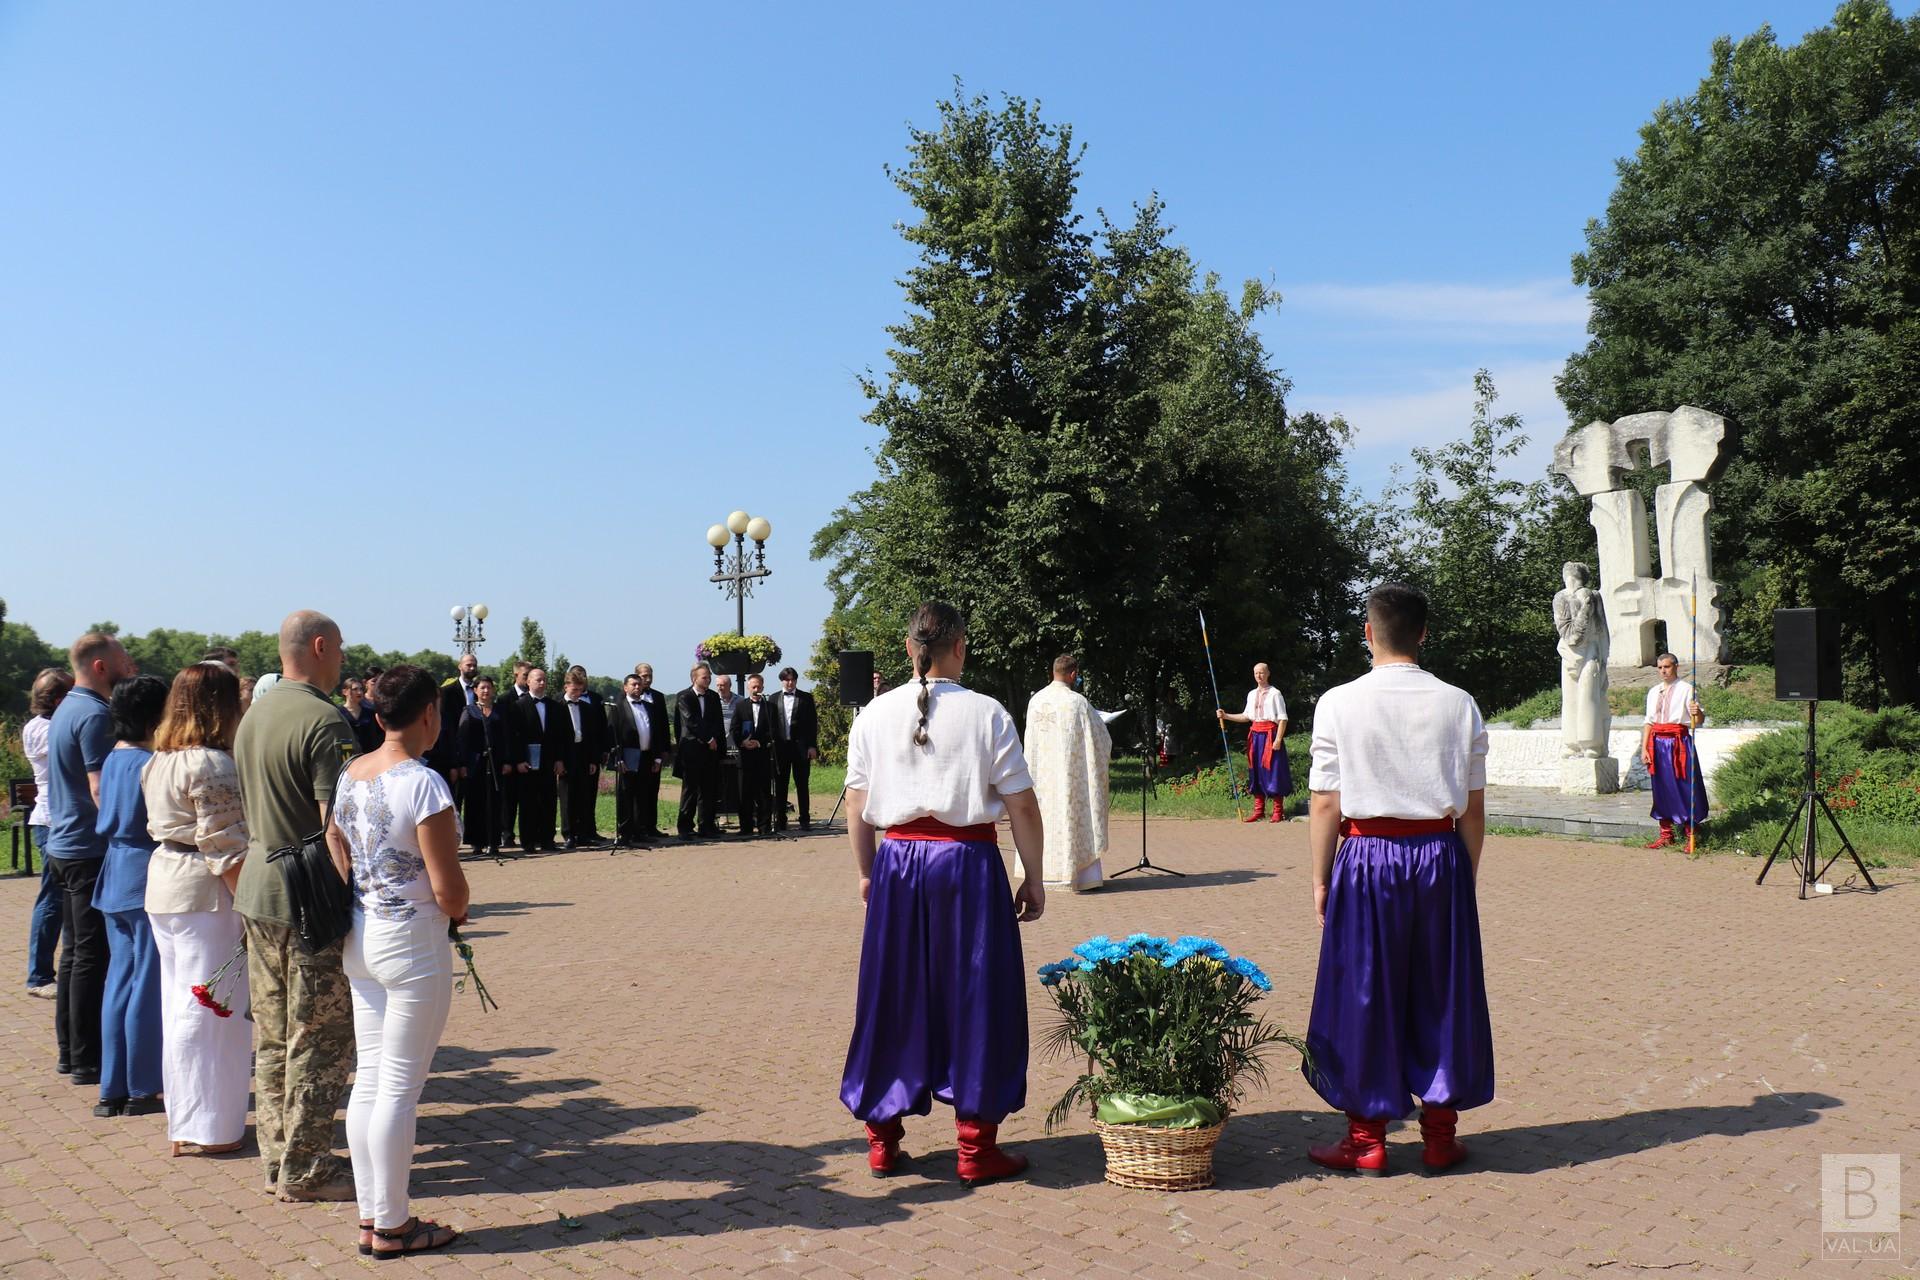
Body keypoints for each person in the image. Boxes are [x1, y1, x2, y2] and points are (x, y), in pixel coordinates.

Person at [839, 602, 1045, 1184]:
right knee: (979, 991)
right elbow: (1021, 803)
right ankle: (976, 1148)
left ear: (909, 648)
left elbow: (857, 805)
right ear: (960, 647)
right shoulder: (988, 713)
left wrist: (866, 870)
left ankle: (882, 1140)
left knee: (892, 993)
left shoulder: (874, 714)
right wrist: (1033, 873)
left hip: (899, 864)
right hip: (968, 863)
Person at [1302, 583, 1493, 1175]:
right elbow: (1474, 809)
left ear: (1368, 634)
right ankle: (1439, 1135)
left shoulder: (1338, 701)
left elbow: (1325, 803)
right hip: (1439, 852)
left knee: (1364, 989)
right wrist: (1466, 874)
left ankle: (1367, 1140)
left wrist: (1320, 879)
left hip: (1365, 855)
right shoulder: (1460, 703)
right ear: (1424, 634)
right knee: (1443, 991)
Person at [326, 665, 467, 1259]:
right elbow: (448, 889)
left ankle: (372, 1214)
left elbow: (335, 846)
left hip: (362, 936)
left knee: (374, 1082)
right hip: (411, 942)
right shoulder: (424, 783)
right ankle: (392, 1224)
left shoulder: (350, 774)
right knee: (399, 1091)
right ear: (428, 714)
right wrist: (459, 910)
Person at [232, 610, 358, 1202]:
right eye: (339, 648)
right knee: (319, 1036)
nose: (343, 659)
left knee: (276, 1035)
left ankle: (278, 1158)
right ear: (319, 645)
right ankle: (308, 1169)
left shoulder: (254, 714)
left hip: (259, 888)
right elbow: (338, 829)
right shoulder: (325, 720)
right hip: (309, 899)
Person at [143, 661, 253, 1157]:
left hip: (168, 886)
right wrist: (252, 904)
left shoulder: (160, 759)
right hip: (204, 893)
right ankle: (209, 1126)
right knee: (210, 1010)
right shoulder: (210, 763)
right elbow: (225, 845)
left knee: (182, 1005)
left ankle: (190, 1119)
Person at [44, 631, 136, 1087]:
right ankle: (86, 1057)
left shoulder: (67, 708)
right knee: (90, 957)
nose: (130, 665)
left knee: (75, 953)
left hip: (65, 844)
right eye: (123, 658)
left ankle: (70, 1049)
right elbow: (102, 788)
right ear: (101, 666)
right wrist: (127, 831)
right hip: (88, 848)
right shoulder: (96, 716)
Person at [91, 673, 170, 1118]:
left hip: (116, 873)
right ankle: (142, 1085)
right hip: (144, 874)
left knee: (118, 981)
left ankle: (111, 1087)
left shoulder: (113, 758)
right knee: (146, 982)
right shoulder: (148, 762)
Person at [1026, 654, 1111, 892]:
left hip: (1042, 779)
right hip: (1071, 781)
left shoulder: (1036, 701)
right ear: (1073, 674)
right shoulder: (1078, 703)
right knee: (1072, 819)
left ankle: (1041, 875)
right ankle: (1083, 877)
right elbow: (1101, 740)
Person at [23, 668, 74, 1000]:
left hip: (51, 820)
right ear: (58, 699)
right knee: (53, 899)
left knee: (58, 898)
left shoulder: (36, 726)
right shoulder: (48, 729)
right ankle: (39, 975)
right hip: (54, 821)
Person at [1642, 652, 1707, 850]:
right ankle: (1666, 834)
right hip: (1657, 743)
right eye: (1660, 667)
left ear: (1676, 667)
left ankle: (1691, 834)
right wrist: (1644, 748)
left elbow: (1697, 722)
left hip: (1679, 743)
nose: (1663, 671)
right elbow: (1649, 722)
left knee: (1684, 785)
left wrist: (1698, 713)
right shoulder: (1653, 692)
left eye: (1667, 667)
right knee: (1661, 787)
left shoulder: (1687, 689)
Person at [1218, 662, 1292, 822]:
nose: (1259, 676)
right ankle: (1259, 810)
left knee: (1274, 771)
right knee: (1256, 770)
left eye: (1262, 672)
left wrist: (1278, 739)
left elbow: (1282, 718)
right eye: (1256, 673)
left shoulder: (1275, 693)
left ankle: (1278, 811)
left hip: (1270, 735)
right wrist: (1226, 716)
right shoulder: (1251, 694)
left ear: (1268, 673)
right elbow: (1246, 716)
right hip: (1255, 735)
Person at [456, 676, 517, 855]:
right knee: (476, 803)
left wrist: (507, 761)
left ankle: (493, 842)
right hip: (475, 764)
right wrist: (462, 764)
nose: (486, 691)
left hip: (495, 763)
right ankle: (477, 842)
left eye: (489, 687)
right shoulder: (469, 711)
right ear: (475, 690)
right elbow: (462, 740)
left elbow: (507, 738)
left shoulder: (501, 711)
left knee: (495, 803)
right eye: (482, 688)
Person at [608, 670, 669, 845]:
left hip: (646, 756)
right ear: (625, 687)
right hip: (627, 757)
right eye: (633, 684)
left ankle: (640, 830)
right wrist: (617, 758)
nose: (637, 687)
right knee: (626, 794)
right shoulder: (618, 708)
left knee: (642, 795)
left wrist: (657, 758)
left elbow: (656, 733)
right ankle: (624, 833)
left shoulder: (649, 707)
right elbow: (613, 735)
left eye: (638, 685)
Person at [507, 667, 564, 852]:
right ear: (528, 682)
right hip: (527, 762)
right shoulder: (518, 705)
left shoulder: (554, 706)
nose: (542, 683)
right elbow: (514, 737)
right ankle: (528, 841)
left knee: (548, 802)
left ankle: (547, 839)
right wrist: (518, 760)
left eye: (544, 680)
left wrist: (559, 759)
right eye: (538, 679)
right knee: (528, 803)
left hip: (548, 762)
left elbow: (558, 736)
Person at [673, 665, 725, 839]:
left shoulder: (713, 697)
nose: (708, 679)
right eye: (704, 677)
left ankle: (706, 825)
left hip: (711, 751)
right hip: (692, 750)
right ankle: (685, 827)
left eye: (709, 676)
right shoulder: (684, 696)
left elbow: (718, 721)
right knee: (690, 790)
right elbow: (690, 721)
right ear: (694, 678)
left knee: (708, 789)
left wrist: (717, 742)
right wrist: (708, 738)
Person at [558, 667, 606, 848]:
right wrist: (559, 760)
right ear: (566, 687)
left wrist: (593, 760)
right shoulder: (558, 707)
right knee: (567, 796)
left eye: (580, 690)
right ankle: (568, 833)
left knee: (583, 795)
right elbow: (556, 738)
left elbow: (592, 736)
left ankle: (582, 832)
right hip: (566, 755)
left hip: (583, 755)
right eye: (574, 690)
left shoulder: (586, 708)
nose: (577, 693)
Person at [769, 667, 818, 832]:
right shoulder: (773, 699)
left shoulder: (806, 698)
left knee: (802, 784)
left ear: (796, 681)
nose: (790, 683)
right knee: (781, 784)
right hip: (781, 748)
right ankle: (781, 820)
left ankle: (805, 819)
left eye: (792, 680)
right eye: (786, 680)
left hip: (801, 748)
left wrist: (812, 746)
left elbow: (812, 724)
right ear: (782, 681)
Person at [732, 674, 774, 837]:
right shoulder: (740, 706)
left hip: (763, 756)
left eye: (759, 687)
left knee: (764, 793)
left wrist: (760, 743)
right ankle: (746, 827)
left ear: (763, 687)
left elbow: (773, 730)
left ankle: (765, 826)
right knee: (745, 793)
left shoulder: (770, 707)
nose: (756, 690)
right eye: (753, 687)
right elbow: (734, 729)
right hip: (745, 756)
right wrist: (742, 743)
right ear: (749, 688)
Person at [341, 676, 383, 754]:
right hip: (349, 756)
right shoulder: (339, 713)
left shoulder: (370, 712)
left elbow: (379, 735)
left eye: (361, 689)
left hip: (370, 755)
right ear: (345, 692)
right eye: (355, 689)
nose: (359, 692)